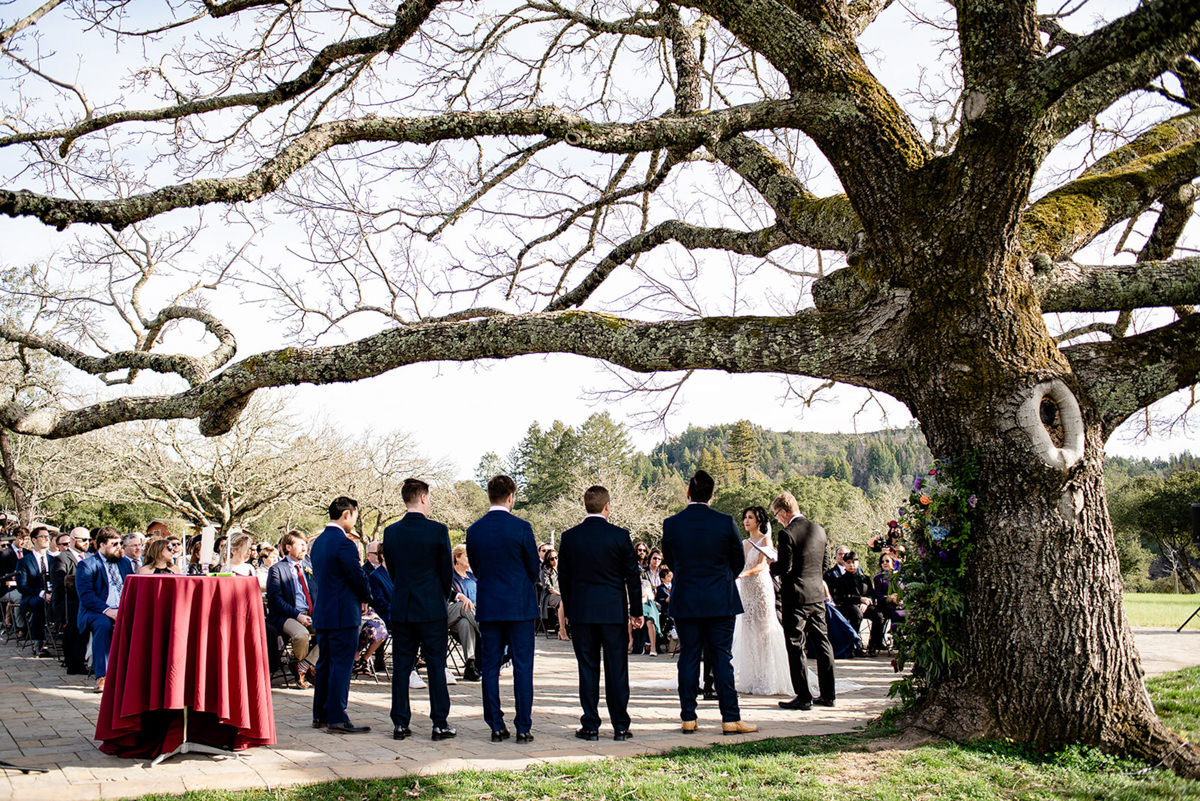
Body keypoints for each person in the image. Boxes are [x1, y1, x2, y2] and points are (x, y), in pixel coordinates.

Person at [661, 471, 756, 735]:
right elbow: (738, 560)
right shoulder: (725, 522)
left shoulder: (672, 523)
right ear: (712, 495)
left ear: (688, 493)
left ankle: (688, 717)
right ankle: (730, 718)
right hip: (719, 599)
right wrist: (723, 577)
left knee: (689, 657)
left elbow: (669, 558)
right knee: (722, 659)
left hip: (686, 598)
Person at [557, 484, 642, 741]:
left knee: (588, 668)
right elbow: (633, 578)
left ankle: (591, 724)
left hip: (582, 612)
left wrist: (569, 610)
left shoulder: (570, 537)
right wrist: (636, 612)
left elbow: (564, 578)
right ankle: (620, 725)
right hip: (613, 612)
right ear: (607, 506)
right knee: (617, 668)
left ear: (586, 506)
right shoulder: (620, 536)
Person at [465, 474, 539, 744]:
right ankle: (523, 726)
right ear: (511, 497)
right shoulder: (522, 527)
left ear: (489, 496)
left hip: (490, 604)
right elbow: (534, 567)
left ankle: (495, 725)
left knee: (491, 667)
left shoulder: (474, 530)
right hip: (519, 606)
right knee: (523, 667)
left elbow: (476, 565)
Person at [382, 478, 456, 741]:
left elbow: (392, 569)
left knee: (402, 665)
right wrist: (441, 597)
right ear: (423, 498)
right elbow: (446, 572)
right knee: (436, 664)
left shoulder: (390, 532)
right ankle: (439, 723)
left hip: (402, 605)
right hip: (431, 606)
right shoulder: (438, 530)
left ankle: (400, 723)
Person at [309, 496, 373, 734]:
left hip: (324, 611)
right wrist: (367, 596)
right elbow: (356, 577)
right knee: (342, 664)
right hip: (343, 613)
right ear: (346, 514)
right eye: (355, 516)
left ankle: (321, 714)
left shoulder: (319, 542)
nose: (355, 521)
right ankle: (337, 716)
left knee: (325, 662)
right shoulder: (344, 543)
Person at [770, 491, 836, 710]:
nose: (777, 519)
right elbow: (825, 564)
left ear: (783, 512)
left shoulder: (787, 533)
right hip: (817, 594)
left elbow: (785, 567)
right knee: (823, 643)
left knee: (796, 644)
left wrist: (772, 566)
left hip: (795, 597)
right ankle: (829, 695)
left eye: (777, 515)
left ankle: (804, 696)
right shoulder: (820, 530)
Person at [730, 506, 792, 695]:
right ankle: (751, 677)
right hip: (746, 591)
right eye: (745, 517)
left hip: (761, 588)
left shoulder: (765, 540)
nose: (746, 521)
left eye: (750, 517)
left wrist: (743, 574)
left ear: (759, 521)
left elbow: (762, 565)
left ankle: (767, 677)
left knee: (764, 632)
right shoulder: (744, 542)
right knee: (749, 632)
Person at [76, 527, 134, 693]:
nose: (119, 547)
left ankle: (136, 673)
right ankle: (102, 676)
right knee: (103, 625)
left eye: (120, 543)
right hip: (97, 611)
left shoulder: (124, 563)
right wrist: (108, 610)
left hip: (122, 608)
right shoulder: (87, 565)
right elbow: (86, 596)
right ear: (101, 544)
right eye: (114, 544)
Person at [266, 531, 320, 688]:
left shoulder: (309, 567)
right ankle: (305, 669)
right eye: (301, 545)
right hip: (287, 615)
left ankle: (303, 666)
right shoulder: (277, 569)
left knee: (334, 631)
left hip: (310, 613)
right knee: (301, 635)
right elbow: (275, 600)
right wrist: (297, 616)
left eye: (305, 545)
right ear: (288, 547)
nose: (305, 548)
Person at [830, 550, 882, 657]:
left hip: (864, 605)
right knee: (857, 615)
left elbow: (871, 594)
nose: (851, 565)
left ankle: (873, 645)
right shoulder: (841, 580)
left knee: (879, 616)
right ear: (844, 564)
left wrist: (866, 601)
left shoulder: (865, 578)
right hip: (848, 605)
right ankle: (855, 645)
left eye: (854, 562)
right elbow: (841, 597)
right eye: (848, 562)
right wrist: (859, 599)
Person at [52, 527, 90, 674]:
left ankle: (84, 660)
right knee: (74, 627)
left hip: (84, 601)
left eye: (88, 540)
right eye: (83, 540)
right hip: (68, 602)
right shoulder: (61, 558)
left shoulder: (89, 557)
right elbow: (60, 584)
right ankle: (73, 664)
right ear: (73, 539)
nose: (87, 543)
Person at [15, 526, 54, 657]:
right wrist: (42, 593)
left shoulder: (53, 560)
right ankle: (38, 643)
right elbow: (22, 586)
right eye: (42, 536)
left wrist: (52, 593)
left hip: (53, 594)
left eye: (48, 536)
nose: (46, 539)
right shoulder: (24, 561)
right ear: (34, 540)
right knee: (39, 603)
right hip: (33, 597)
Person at [447, 544, 482, 681]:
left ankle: (470, 665)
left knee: (464, 623)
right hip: (449, 612)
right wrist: (460, 596)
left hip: (467, 618)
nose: (470, 559)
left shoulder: (473, 577)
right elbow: (448, 594)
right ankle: (487, 632)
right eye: (467, 556)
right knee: (464, 605)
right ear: (457, 557)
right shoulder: (449, 575)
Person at [538, 549, 568, 640]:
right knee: (563, 601)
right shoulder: (544, 569)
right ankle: (562, 630)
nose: (555, 560)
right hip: (549, 596)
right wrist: (561, 594)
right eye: (552, 559)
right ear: (548, 560)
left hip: (562, 594)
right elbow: (549, 588)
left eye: (556, 557)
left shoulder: (562, 569)